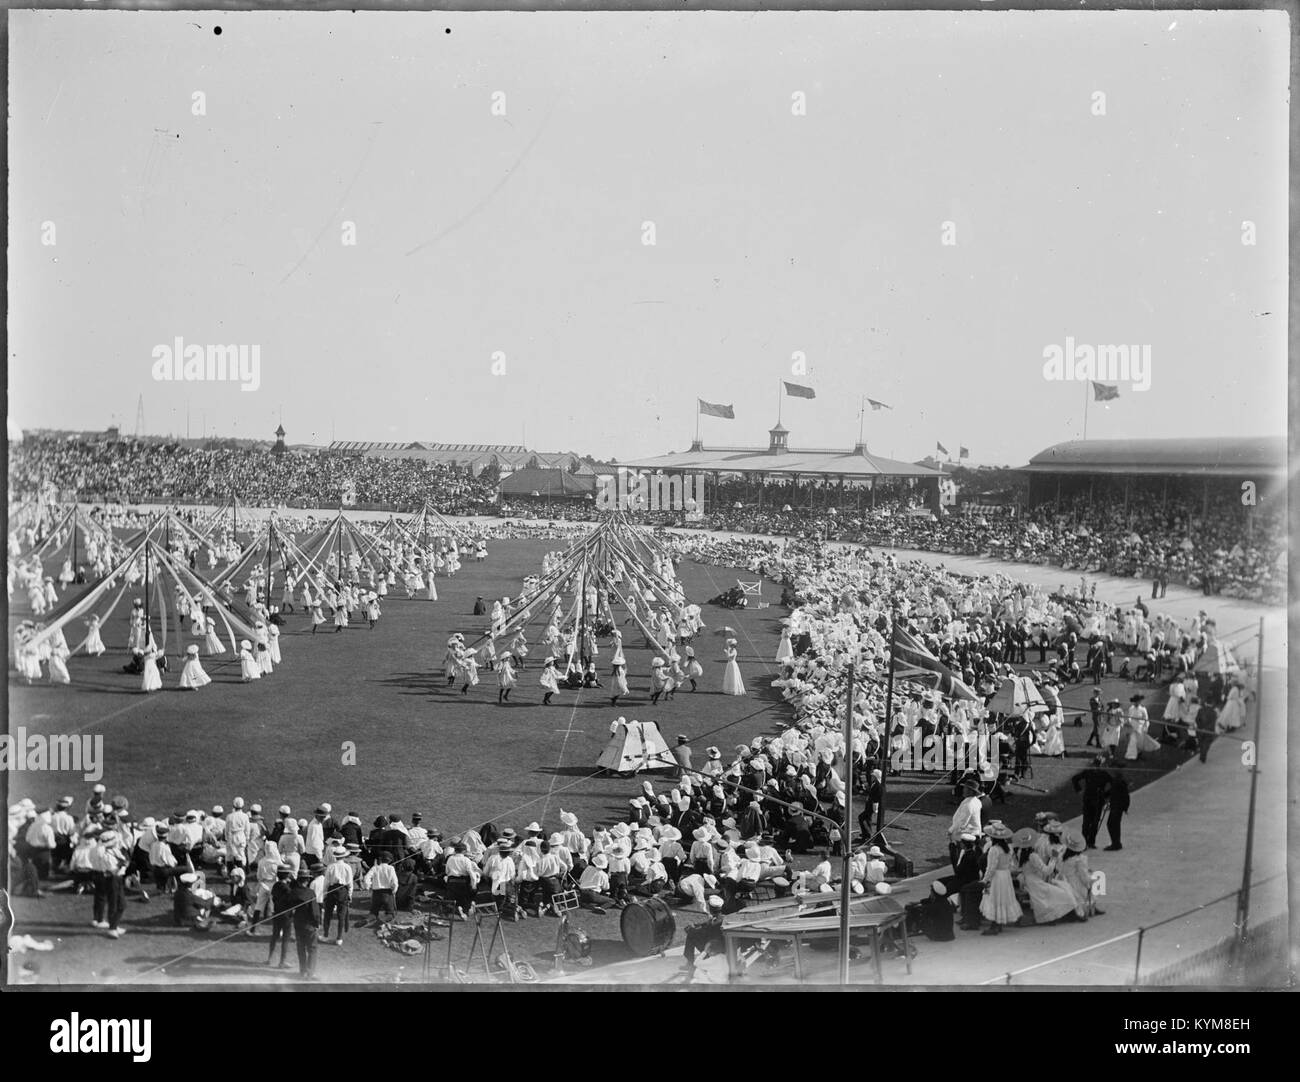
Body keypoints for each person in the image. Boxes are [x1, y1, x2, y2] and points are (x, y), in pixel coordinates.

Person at [979, 824, 1018, 935]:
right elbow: (1011, 864)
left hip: (997, 877)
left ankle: (994, 926)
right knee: (1002, 899)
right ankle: (998, 924)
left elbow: (991, 867)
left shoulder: (994, 850)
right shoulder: (1008, 848)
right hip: (1005, 876)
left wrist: (985, 880)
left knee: (993, 899)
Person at [1072, 757, 1112, 849]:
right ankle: (1087, 842)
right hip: (1092, 800)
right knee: (1090, 822)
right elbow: (1075, 779)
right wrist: (1106, 795)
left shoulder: (1098, 774)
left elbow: (1113, 784)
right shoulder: (1094, 773)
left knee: (1091, 822)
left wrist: (1106, 795)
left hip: (1094, 800)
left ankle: (1088, 842)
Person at [290, 866, 322, 980]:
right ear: (307, 880)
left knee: (301, 948)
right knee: (312, 949)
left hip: (298, 925)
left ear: (299, 880)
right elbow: (315, 911)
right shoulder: (310, 893)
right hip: (309, 925)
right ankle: (310, 973)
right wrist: (317, 923)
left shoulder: (293, 892)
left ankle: (302, 971)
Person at [682, 896, 726, 972]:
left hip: (714, 948)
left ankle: (690, 963)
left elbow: (702, 931)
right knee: (692, 931)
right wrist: (696, 925)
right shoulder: (722, 918)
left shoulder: (714, 923)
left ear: (710, 909)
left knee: (690, 935)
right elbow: (706, 924)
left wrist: (691, 929)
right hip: (721, 946)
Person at [266, 866, 295, 968]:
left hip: (277, 914)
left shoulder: (276, 885)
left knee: (275, 936)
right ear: (287, 875)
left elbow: (273, 899)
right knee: (285, 939)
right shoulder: (287, 889)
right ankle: (282, 962)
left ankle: (270, 958)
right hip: (286, 916)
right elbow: (291, 901)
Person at [1104, 765, 1130, 851]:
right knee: (1114, 825)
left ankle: (1115, 844)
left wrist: (1125, 807)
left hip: (1117, 807)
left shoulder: (1118, 783)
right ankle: (1116, 843)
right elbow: (1112, 792)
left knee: (1112, 825)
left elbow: (1125, 796)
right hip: (1116, 807)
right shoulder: (1118, 783)